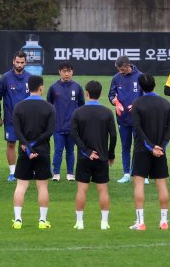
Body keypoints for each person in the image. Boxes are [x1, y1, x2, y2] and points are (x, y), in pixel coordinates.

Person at [70, 80, 117, 230]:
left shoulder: (78, 112)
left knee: (81, 190)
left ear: (87, 93)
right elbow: (113, 135)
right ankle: (104, 223)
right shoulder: (107, 112)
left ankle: (79, 223)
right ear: (100, 93)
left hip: (84, 158)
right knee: (103, 190)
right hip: (102, 157)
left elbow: (73, 134)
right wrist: (110, 154)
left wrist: (86, 150)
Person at [130, 73, 170, 230]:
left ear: (140, 87)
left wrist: (150, 146)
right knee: (161, 184)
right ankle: (164, 221)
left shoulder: (137, 103)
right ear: (155, 84)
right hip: (160, 150)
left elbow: (138, 128)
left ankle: (140, 222)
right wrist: (161, 146)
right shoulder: (165, 103)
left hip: (142, 149)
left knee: (139, 184)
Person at [11, 76, 56, 229]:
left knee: (21, 186)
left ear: (28, 87)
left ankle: (18, 220)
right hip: (42, 151)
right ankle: (42, 221)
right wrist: (34, 145)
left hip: (24, 151)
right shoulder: (49, 107)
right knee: (42, 187)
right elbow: (49, 131)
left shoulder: (19, 106)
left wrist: (28, 146)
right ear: (41, 88)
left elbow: (17, 131)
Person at [0, 51, 32, 182]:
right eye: (17, 62)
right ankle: (12, 172)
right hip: (11, 119)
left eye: (22, 62)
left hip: (27, 120)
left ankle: (26, 170)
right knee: (11, 144)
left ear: (25, 63)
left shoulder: (30, 78)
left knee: (26, 144)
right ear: (13, 62)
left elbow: (35, 98)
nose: (20, 65)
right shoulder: (5, 78)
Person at [108, 56, 145, 184]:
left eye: (122, 69)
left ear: (128, 65)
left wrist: (137, 105)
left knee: (139, 147)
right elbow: (111, 95)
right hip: (122, 119)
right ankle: (126, 174)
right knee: (125, 147)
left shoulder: (140, 77)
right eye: (118, 69)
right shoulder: (116, 78)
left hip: (138, 119)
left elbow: (145, 96)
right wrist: (114, 101)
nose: (121, 71)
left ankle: (141, 174)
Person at [47, 61, 85, 181]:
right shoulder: (53, 88)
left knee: (70, 151)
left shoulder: (77, 87)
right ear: (60, 72)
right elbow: (49, 105)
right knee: (58, 150)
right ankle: (56, 173)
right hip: (58, 126)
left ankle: (70, 173)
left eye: (69, 71)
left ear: (72, 72)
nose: (67, 74)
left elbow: (81, 106)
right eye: (64, 71)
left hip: (72, 127)